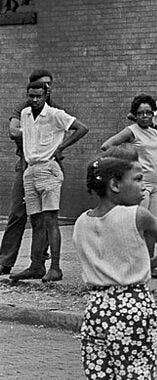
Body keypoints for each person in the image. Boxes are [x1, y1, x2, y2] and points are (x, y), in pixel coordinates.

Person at [73, 150, 157, 380]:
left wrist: (149, 262)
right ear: (115, 185)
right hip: (133, 308)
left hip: (97, 310)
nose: (144, 186)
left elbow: (115, 259)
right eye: (138, 179)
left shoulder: (81, 222)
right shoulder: (137, 215)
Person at [10, 79, 89, 283]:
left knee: (50, 220)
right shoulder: (25, 114)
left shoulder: (55, 114)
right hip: (30, 170)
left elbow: (81, 128)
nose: (34, 100)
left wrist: (61, 147)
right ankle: (36, 266)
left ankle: (55, 267)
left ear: (45, 96)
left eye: (38, 96)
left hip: (48, 169)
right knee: (35, 220)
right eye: (31, 96)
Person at [101, 95, 157, 278]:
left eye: (148, 112)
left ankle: (150, 266)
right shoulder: (131, 131)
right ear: (134, 115)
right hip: (141, 185)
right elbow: (107, 146)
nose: (145, 116)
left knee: (152, 227)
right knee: (137, 226)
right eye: (140, 113)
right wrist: (125, 165)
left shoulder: (155, 132)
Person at [1, 69, 54, 276]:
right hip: (25, 164)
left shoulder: (54, 110)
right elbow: (13, 131)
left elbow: (70, 129)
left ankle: (39, 262)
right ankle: (5, 260)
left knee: (44, 216)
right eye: (42, 84)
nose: (47, 88)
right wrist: (37, 131)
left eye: (49, 84)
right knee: (16, 212)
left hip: (48, 164)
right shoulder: (23, 109)